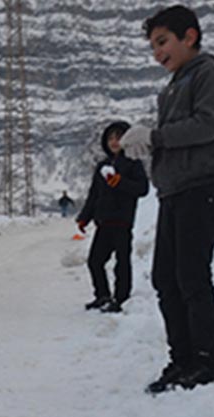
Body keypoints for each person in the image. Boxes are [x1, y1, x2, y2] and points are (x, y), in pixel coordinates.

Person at [120, 5, 214, 394]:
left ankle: (204, 360)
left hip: (201, 191)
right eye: (152, 46)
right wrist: (148, 148)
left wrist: (155, 137)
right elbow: (174, 138)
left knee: (191, 277)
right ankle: (180, 358)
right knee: (166, 279)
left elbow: (208, 125)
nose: (157, 53)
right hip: (173, 193)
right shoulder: (172, 87)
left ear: (190, 37)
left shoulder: (208, 75)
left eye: (162, 42)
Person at [76, 121, 150, 313]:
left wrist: (119, 182)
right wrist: (85, 217)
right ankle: (102, 295)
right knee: (95, 261)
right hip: (104, 222)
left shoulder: (133, 163)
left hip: (123, 222)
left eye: (118, 137)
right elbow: (94, 195)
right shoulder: (102, 166)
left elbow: (142, 189)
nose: (114, 142)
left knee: (122, 262)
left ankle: (121, 299)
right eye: (110, 138)